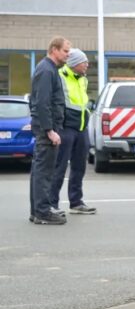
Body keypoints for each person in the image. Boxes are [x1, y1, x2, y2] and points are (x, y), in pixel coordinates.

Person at [48, 48, 96, 215]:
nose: (87, 65)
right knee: (59, 167)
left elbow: (82, 102)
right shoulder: (59, 76)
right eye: (84, 62)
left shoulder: (83, 79)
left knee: (79, 167)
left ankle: (76, 202)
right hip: (66, 127)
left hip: (81, 128)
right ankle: (52, 204)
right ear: (74, 63)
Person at [29, 36, 70, 225]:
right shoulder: (46, 70)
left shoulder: (49, 69)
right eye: (65, 51)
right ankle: (43, 212)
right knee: (44, 172)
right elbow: (42, 102)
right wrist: (49, 130)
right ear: (54, 49)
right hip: (47, 129)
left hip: (47, 127)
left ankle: (37, 211)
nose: (68, 55)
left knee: (40, 170)